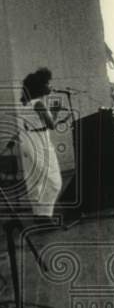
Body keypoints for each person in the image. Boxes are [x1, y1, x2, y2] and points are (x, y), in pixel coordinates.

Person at [11, 68, 65, 217]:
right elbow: (51, 125)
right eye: (48, 83)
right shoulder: (38, 104)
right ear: (40, 87)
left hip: (29, 140)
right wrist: (56, 111)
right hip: (39, 142)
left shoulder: (27, 103)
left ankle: (38, 214)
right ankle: (45, 216)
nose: (50, 86)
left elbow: (36, 123)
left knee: (35, 180)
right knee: (55, 182)